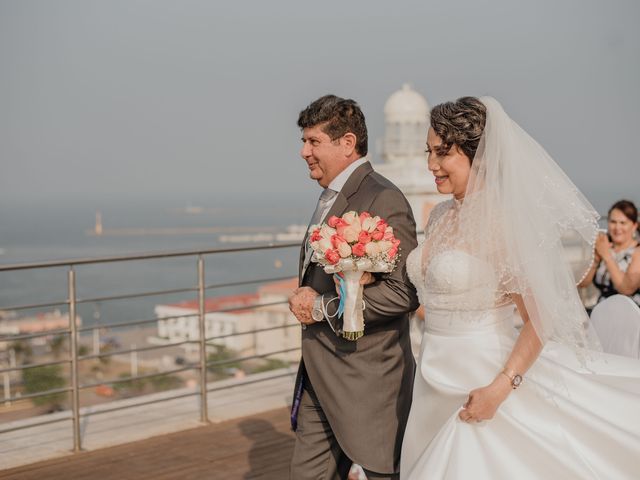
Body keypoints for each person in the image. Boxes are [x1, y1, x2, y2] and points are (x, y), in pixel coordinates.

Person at [401, 96, 640, 479]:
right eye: (428, 152)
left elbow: (539, 317)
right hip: (431, 374)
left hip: (482, 375)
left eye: (442, 153)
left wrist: (500, 388)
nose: (431, 164)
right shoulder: (442, 214)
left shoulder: (502, 222)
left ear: (477, 155)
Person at [288, 95, 419, 480]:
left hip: (364, 383)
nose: (303, 152)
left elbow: (403, 293)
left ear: (347, 143)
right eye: (304, 141)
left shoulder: (383, 197)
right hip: (318, 373)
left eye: (313, 142)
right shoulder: (331, 195)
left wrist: (320, 308)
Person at [579, 199, 640, 308]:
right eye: (613, 222)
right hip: (602, 309)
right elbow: (583, 283)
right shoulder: (603, 247)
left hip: (630, 312)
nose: (617, 228)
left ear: (634, 225)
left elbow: (627, 288)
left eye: (623, 223)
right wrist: (596, 258)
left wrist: (607, 256)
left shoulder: (637, 251)